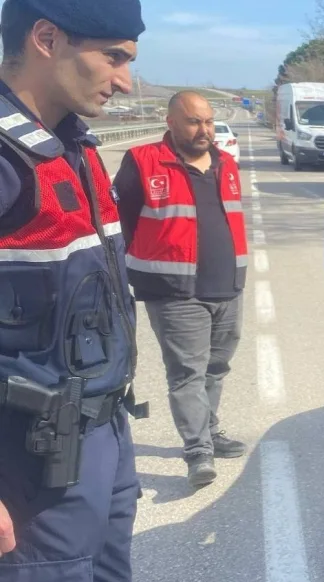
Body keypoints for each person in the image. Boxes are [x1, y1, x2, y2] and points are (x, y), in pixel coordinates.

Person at [0, 0, 147, 582]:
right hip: (29, 466)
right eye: (113, 57)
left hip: (98, 439)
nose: (124, 81)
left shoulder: (76, 152)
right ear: (45, 37)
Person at [114, 91, 249, 489]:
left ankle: (209, 430)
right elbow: (118, 223)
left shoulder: (225, 164)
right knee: (187, 372)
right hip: (174, 290)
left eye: (207, 121)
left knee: (216, 368)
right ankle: (197, 451)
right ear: (170, 122)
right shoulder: (142, 161)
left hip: (228, 285)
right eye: (194, 121)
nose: (204, 129)